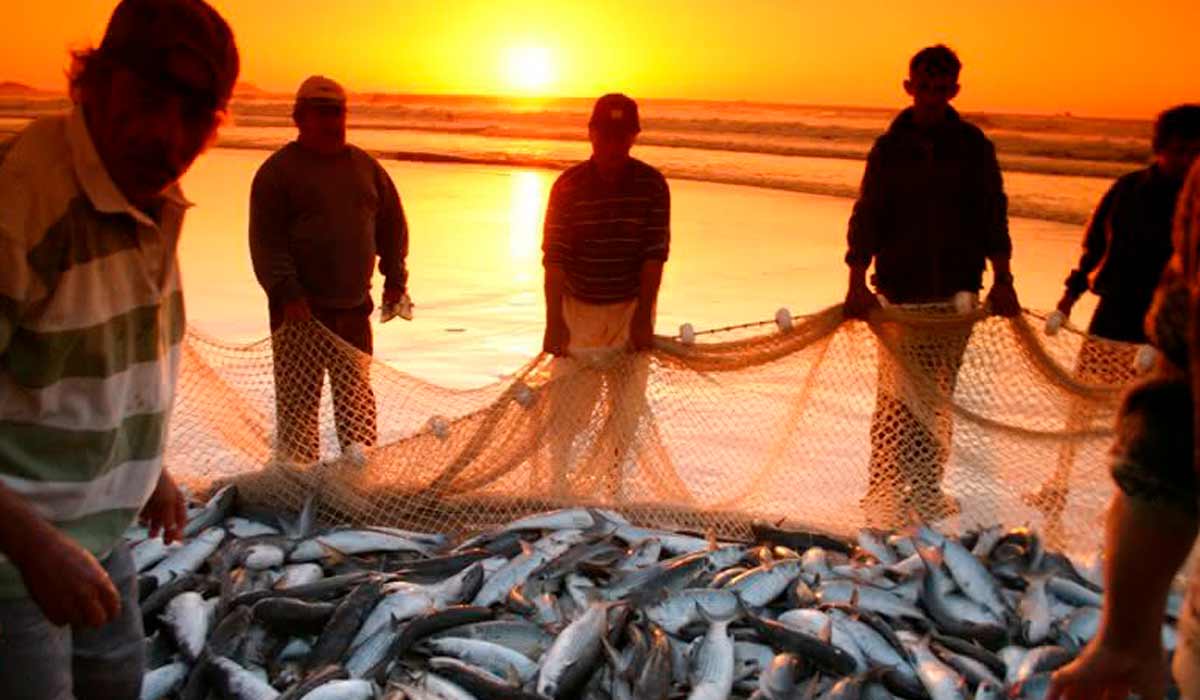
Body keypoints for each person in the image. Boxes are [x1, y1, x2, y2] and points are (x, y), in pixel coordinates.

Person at [0, 1, 238, 697]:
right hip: (16, 567)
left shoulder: (151, 195)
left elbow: (107, 366)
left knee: (116, 680)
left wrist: (148, 472)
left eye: (197, 115)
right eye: (147, 98)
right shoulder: (21, 201)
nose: (167, 134)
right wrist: (33, 546)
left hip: (104, 535)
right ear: (93, 81)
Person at [842, 44, 1019, 526]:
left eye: (942, 89)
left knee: (939, 395)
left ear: (954, 90)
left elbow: (992, 213)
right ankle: (881, 487)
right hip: (900, 293)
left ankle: (923, 488)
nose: (933, 96)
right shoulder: (889, 148)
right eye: (925, 87)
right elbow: (868, 214)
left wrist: (1004, 279)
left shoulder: (974, 146)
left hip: (959, 294)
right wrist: (856, 281)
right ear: (909, 87)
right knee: (896, 396)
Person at [1046, 162, 1200, 700]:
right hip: (1118, 313)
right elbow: (1172, 428)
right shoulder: (1131, 192)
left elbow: (1169, 435)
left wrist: (1124, 639)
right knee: (1087, 401)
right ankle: (1061, 479)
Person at [249, 75, 410, 464]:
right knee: (298, 409)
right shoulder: (277, 172)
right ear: (299, 117)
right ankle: (298, 487)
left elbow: (391, 225)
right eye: (321, 113)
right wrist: (288, 293)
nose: (331, 121)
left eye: (337, 112)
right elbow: (266, 244)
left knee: (357, 406)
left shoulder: (366, 168)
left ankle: (359, 481)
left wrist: (395, 279)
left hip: (354, 310)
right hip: (299, 314)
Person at [540, 93, 670, 498]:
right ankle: (559, 491)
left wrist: (642, 317)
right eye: (605, 134)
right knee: (566, 414)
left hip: (629, 305)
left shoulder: (651, 185)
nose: (613, 143)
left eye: (621, 135)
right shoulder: (568, 185)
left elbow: (654, 256)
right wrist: (554, 321)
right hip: (577, 308)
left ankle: (614, 491)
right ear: (591, 133)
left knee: (625, 414)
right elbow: (555, 256)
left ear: (634, 136)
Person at [1054, 104, 1200, 343]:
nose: (1187, 161)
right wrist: (1068, 298)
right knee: (1092, 379)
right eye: (1179, 151)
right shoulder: (1129, 188)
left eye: (1196, 153)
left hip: (1179, 322)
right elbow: (1095, 247)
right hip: (1116, 309)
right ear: (1160, 148)